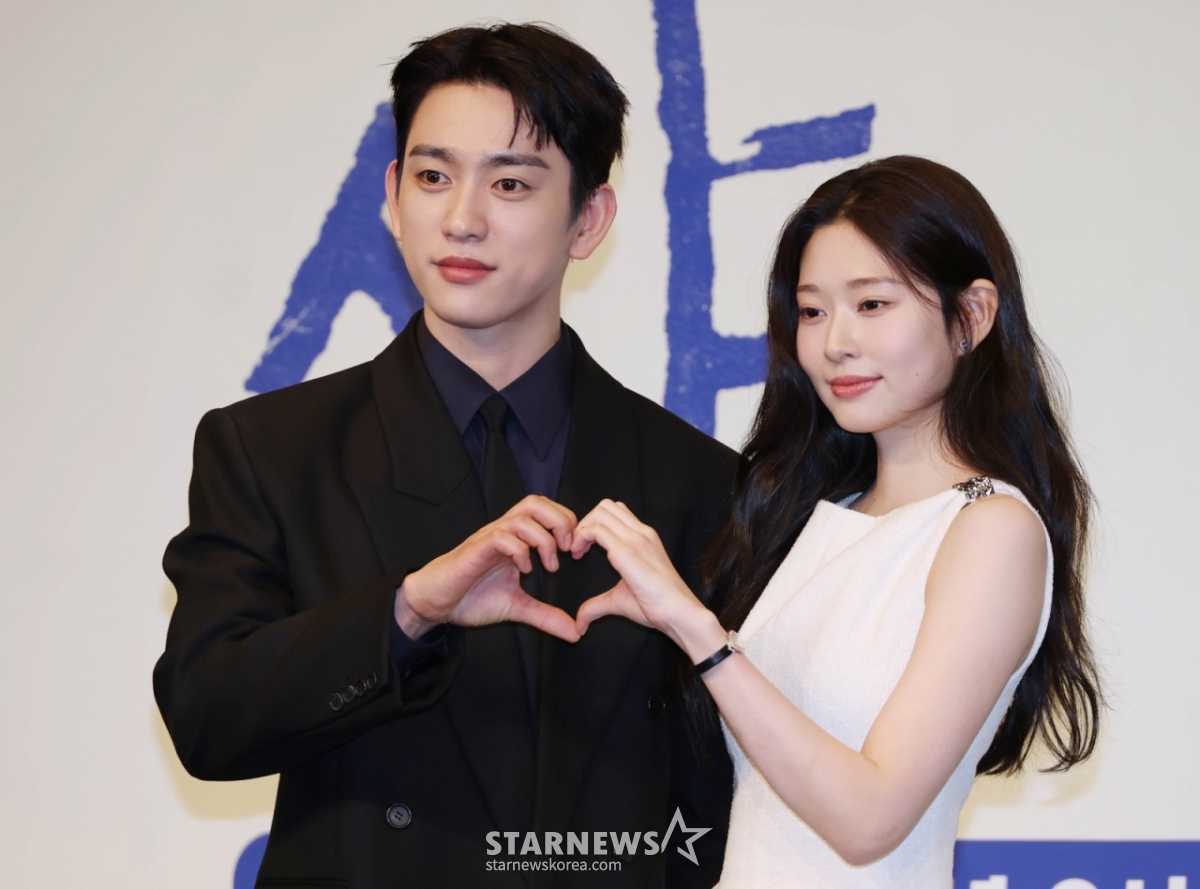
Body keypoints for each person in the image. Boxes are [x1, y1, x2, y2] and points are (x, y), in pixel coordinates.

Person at [153, 24, 737, 889]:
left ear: (590, 217)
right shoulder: (271, 450)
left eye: (509, 182)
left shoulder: (699, 479)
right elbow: (207, 718)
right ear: (392, 196)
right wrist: (408, 611)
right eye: (433, 177)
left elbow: (716, 793)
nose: (461, 218)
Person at [569, 156, 1102, 887]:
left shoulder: (992, 527)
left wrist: (700, 632)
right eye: (813, 310)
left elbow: (869, 819)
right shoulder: (824, 515)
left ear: (972, 315)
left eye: (873, 305)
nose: (833, 342)